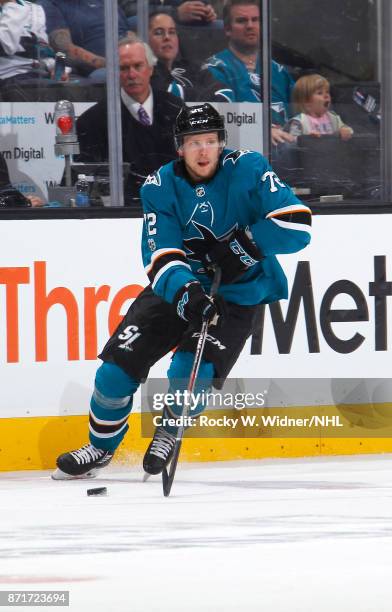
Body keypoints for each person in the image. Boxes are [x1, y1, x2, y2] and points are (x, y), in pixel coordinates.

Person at [52, 102, 312, 481]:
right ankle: (99, 448)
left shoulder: (250, 168)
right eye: (194, 142)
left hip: (238, 293)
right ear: (180, 147)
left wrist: (245, 247)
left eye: (210, 141)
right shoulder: (159, 185)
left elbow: (298, 225)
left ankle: (169, 430)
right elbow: (160, 254)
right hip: (177, 290)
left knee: (190, 373)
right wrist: (188, 291)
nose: (203, 150)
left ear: (222, 143)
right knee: (115, 371)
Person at [75, 33, 183, 206]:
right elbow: (84, 184)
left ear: (151, 69)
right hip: (120, 216)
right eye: (124, 68)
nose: (131, 74)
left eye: (138, 66)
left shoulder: (176, 110)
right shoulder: (92, 121)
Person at [204, 0, 295, 147]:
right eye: (242, 21)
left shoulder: (279, 72)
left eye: (255, 20)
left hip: (288, 153)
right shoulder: (214, 70)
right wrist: (261, 131)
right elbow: (222, 124)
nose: (250, 26)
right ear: (227, 29)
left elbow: (304, 113)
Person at [149, 12, 232, 102]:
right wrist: (207, 96)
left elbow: (226, 93)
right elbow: (169, 95)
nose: (167, 37)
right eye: (159, 33)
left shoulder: (192, 67)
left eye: (172, 32)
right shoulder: (148, 72)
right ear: (145, 38)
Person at [38, 0, 129, 78]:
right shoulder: (50, 4)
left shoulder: (105, 2)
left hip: (127, 62)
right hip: (98, 70)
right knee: (105, 76)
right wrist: (110, 64)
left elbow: (128, 32)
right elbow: (65, 49)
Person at [0, 0, 55, 84]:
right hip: (8, 76)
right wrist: (11, 5)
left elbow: (43, 48)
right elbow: (7, 45)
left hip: (37, 72)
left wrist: (54, 67)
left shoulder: (35, 9)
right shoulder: (13, 7)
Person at [287, 73, 354, 140]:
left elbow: (347, 129)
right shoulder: (299, 122)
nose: (326, 95)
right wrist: (307, 139)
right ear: (306, 102)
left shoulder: (333, 117)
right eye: (320, 93)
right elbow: (291, 142)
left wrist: (345, 130)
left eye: (327, 92)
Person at [119, 0, 219, 29]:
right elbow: (128, 9)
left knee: (219, 26)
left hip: (183, 26)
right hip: (144, 28)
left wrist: (205, 10)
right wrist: (175, 13)